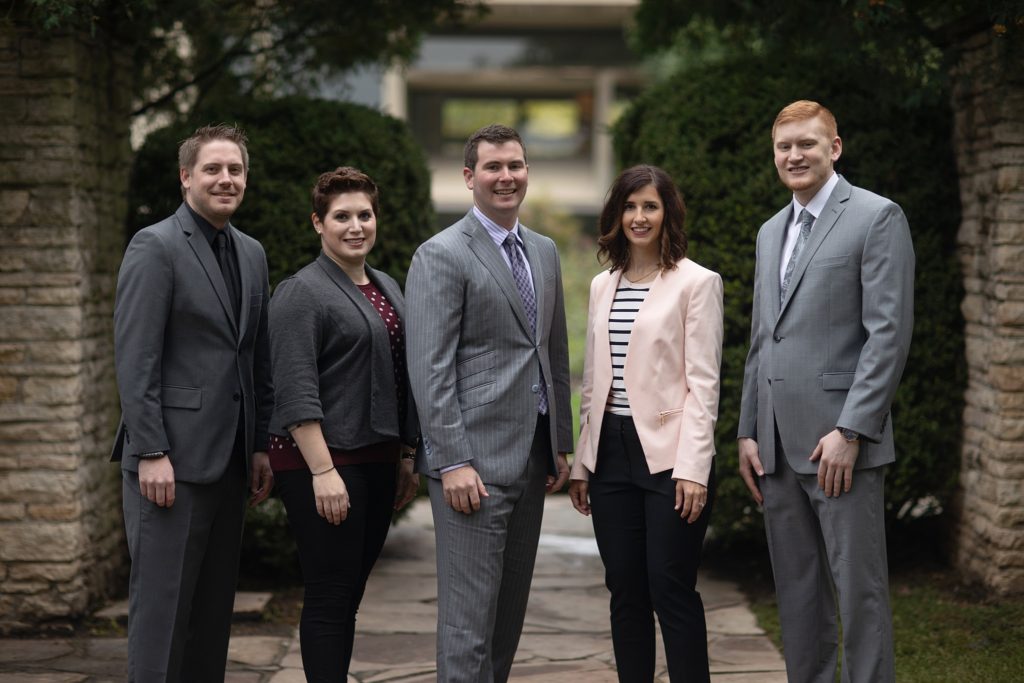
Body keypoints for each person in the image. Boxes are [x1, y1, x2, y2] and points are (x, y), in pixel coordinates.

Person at [737, 100, 914, 683]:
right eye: (784, 147)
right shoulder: (768, 231)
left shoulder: (876, 216)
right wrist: (747, 430)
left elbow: (887, 334)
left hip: (841, 447)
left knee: (859, 596)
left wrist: (853, 429)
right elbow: (764, 337)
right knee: (798, 596)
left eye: (807, 144)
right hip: (777, 448)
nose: (794, 155)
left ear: (833, 148)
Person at [404, 123, 573, 682]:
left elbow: (552, 354)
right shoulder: (441, 254)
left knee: (506, 622)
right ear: (469, 176)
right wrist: (451, 459)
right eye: (494, 167)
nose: (507, 177)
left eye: (516, 166)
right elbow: (429, 368)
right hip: (471, 464)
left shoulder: (544, 252)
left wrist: (561, 446)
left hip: (530, 460)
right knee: (466, 626)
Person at [111, 124, 275, 682]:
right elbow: (136, 360)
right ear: (186, 178)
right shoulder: (154, 246)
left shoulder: (251, 254)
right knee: (162, 617)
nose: (225, 179)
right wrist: (151, 449)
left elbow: (255, 359)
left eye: (234, 170)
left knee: (210, 619)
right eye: (212, 169)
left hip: (229, 464)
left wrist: (258, 447)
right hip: (169, 466)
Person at [568, 165, 724, 682]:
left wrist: (694, 469)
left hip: (670, 456)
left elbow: (704, 384)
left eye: (650, 206)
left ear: (667, 214)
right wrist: (583, 463)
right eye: (630, 206)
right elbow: (594, 379)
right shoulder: (600, 285)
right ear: (617, 213)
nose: (639, 216)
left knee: (670, 587)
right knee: (625, 589)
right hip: (610, 454)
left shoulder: (697, 283)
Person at [266, 166, 419, 681]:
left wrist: (405, 455)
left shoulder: (387, 286)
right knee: (331, 594)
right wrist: (322, 471)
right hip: (325, 463)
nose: (356, 226)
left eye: (365, 214)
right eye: (341, 216)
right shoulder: (300, 292)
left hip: (376, 459)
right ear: (318, 223)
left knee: (349, 594)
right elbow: (293, 388)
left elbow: (400, 377)